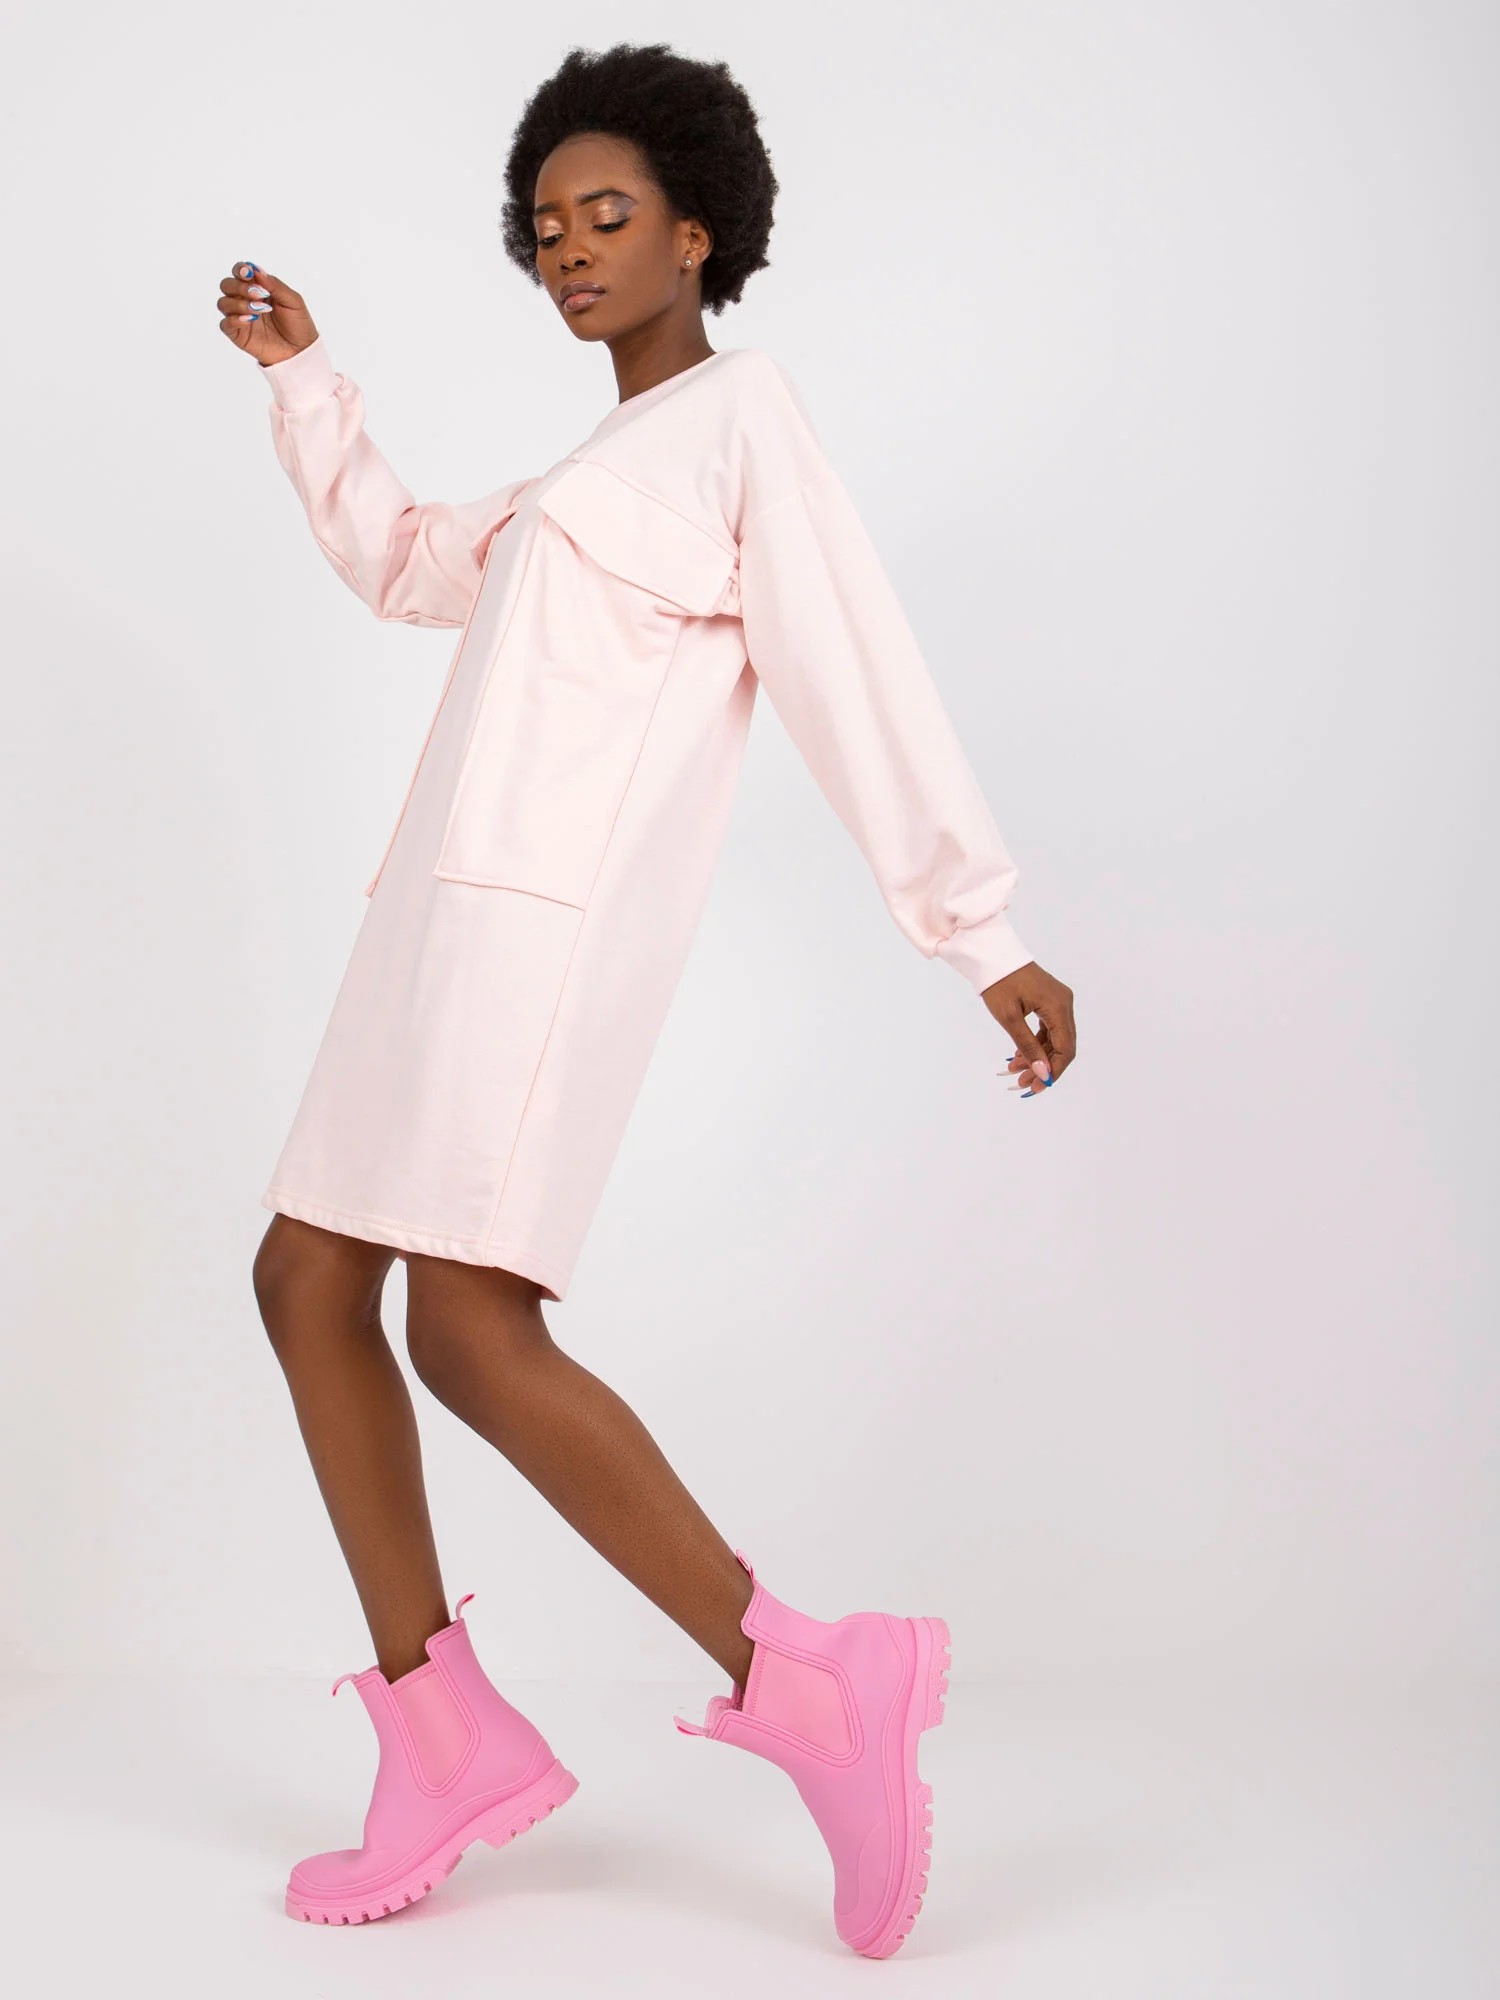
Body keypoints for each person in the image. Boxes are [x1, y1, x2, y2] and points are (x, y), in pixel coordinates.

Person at [220, 38, 1075, 1960]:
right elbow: (405, 564)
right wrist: (304, 380)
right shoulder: (578, 483)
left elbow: (853, 665)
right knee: (305, 1281)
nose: (572, 250)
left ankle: (808, 1678)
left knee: (466, 1325)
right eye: (546, 228)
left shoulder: (742, 421)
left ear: (698, 232)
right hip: (426, 932)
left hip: (537, 944)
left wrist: (980, 928)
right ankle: (440, 1728)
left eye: (608, 214)